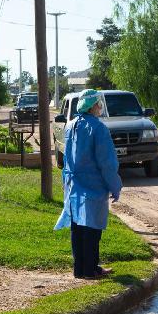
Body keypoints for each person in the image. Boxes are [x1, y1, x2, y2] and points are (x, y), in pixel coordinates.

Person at [54, 89, 122, 279]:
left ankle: (80, 269)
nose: (100, 107)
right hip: (93, 186)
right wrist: (115, 186)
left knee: (77, 227)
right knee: (92, 229)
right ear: (93, 106)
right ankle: (91, 270)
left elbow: (65, 158)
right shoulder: (98, 128)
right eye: (99, 104)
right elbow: (107, 163)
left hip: (74, 186)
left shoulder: (71, 125)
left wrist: (65, 184)